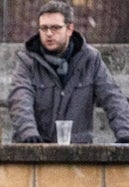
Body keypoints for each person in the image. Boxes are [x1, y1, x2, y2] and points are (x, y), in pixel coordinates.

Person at [8, 0, 129, 144]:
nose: (48, 33)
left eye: (55, 28)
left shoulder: (90, 59)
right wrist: (29, 135)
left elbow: (112, 96)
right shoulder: (27, 60)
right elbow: (20, 99)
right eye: (43, 28)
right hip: (38, 148)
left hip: (78, 152)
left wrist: (125, 133)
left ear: (70, 29)